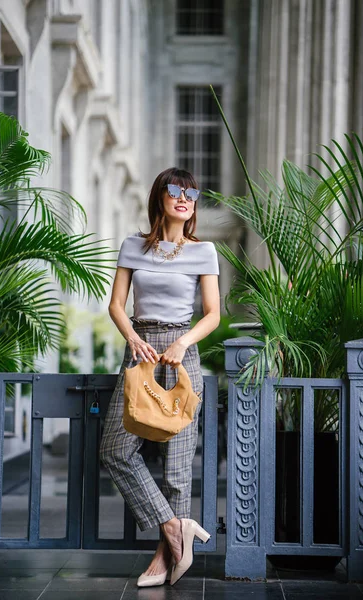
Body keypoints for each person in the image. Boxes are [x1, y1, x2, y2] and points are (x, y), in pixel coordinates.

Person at [100, 167, 220, 587]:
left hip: (181, 357)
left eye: (191, 192)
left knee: (177, 467)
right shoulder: (133, 247)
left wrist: (183, 344)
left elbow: (213, 314)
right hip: (140, 351)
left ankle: (165, 559)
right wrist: (132, 336)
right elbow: (116, 304)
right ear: (160, 198)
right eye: (174, 190)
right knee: (115, 449)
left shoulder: (204, 252)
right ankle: (175, 529)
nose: (183, 198)